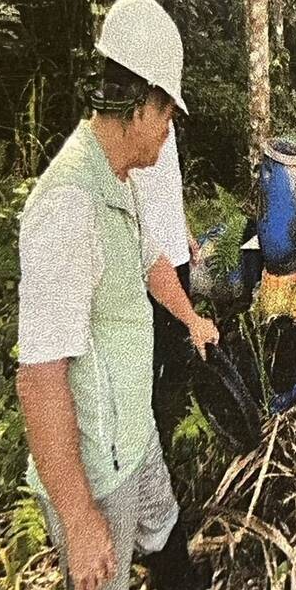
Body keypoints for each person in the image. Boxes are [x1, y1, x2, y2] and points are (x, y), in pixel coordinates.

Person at [16, 0, 216, 590]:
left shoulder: (119, 182)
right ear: (138, 105)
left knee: (164, 524)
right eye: (168, 115)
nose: (169, 129)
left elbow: (151, 260)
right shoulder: (68, 207)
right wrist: (79, 521)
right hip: (97, 472)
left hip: (135, 436)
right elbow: (40, 378)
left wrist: (191, 318)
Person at [130, 123, 201, 454]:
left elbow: (170, 185)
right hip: (148, 262)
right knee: (148, 355)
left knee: (176, 350)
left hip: (176, 253)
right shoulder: (126, 121)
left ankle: (171, 440)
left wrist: (185, 232)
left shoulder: (168, 121)